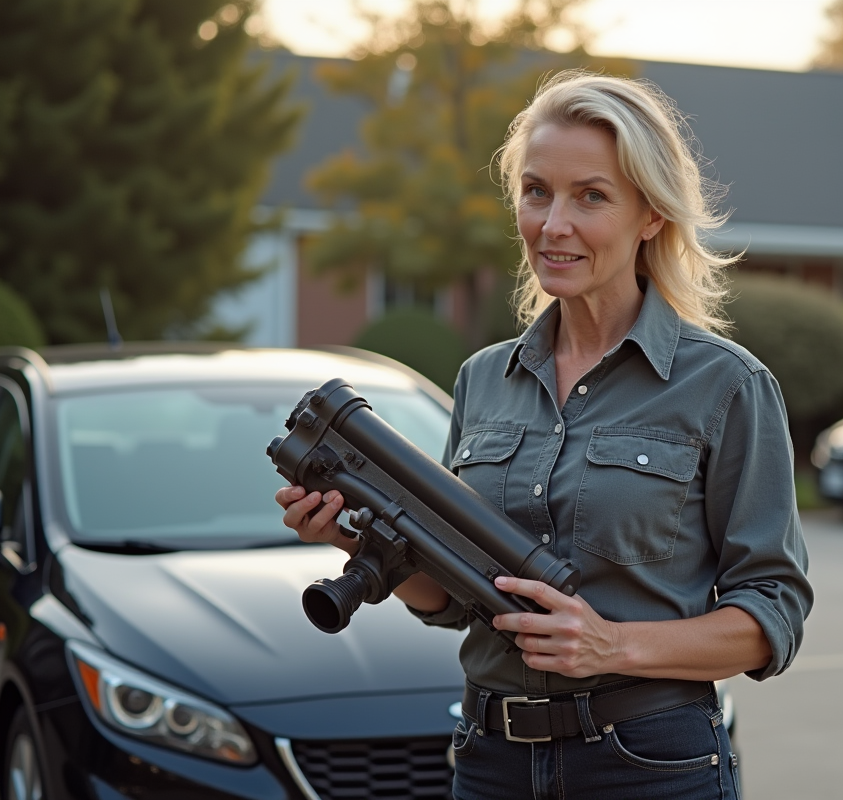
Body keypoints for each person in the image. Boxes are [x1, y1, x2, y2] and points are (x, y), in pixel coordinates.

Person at [276, 71, 812, 800]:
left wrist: (612, 644)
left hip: (647, 762)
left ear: (650, 215)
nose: (553, 223)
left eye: (591, 195)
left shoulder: (726, 386)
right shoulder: (483, 379)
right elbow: (455, 599)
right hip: (490, 758)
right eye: (537, 191)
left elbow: (772, 612)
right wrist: (357, 535)